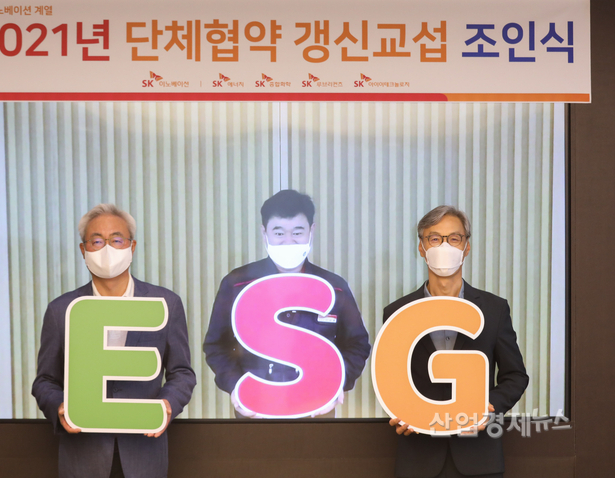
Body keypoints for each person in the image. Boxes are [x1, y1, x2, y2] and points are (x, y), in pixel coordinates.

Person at [32, 204, 196, 478]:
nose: (107, 248)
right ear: (83, 250)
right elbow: (45, 380)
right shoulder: (61, 310)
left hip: (145, 452)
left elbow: (182, 373)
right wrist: (59, 407)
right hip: (83, 453)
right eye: (97, 241)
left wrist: (167, 405)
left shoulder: (165, 304)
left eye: (117, 240)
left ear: (132, 247)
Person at [383, 205, 528, 478]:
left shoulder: (494, 309)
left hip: (479, 459)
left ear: (466, 247)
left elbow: (515, 376)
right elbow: (390, 378)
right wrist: (399, 410)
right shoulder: (397, 312)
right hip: (418, 458)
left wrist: (488, 408)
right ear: (421, 247)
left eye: (454, 238)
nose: (444, 246)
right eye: (434, 238)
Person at [203, 189, 371, 418]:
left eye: (298, 232)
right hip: (255, 408)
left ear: (312, 231)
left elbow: (357, 344)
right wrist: (236, 386)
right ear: (264, 233)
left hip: (317, 409)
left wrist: (337, 383)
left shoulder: (334, 287)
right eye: (279, 233)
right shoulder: (237, 284)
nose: (288, 241)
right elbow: (216, 345)